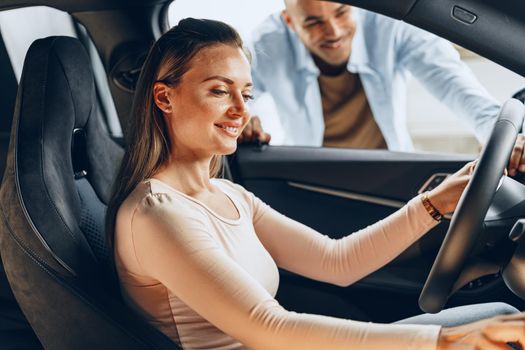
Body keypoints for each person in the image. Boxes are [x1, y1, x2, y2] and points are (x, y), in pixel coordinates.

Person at [106, 18, 525, 350]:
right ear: (164, 98)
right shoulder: (156, 215)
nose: (239, 109)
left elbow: (336, 261)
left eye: (246, 94)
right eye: (219, 91)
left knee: (497, 316)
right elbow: (269, 329)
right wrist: (441, 341)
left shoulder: (228, 195)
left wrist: (435, 203)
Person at [246, 0, 525, 176]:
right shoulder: (266, 43)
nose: (333, 31)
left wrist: (497, 131)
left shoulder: (391, 25)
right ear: (290, 22)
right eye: (314, 22)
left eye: (341, 12)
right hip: (312, 179)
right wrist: (243, 118)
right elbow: (236, 94)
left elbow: (455, 84)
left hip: (387, 171)